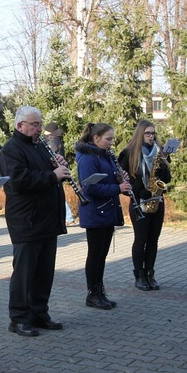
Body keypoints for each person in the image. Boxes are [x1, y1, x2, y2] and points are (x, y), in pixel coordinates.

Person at [0, 106, 67, 336]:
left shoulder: (39, 147)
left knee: (44, 271)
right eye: (35, 125)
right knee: (24, 273)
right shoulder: (11, 150)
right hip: (26, 220)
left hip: (46, 219)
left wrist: (56, 166)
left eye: (39, 123)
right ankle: (18, 318)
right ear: (21, 126)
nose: (39, 128)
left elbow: (46, 176)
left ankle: (39, 313)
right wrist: (52, 175)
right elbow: (19, 181)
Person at [76, 122, 129, 310]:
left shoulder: (104, 155)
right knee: (96, 255)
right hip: (95, 211)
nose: (111, 142)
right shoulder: (88, 158)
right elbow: (90, 187)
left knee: (102, 254)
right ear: (96, 138)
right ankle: (92, 293)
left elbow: (105, 178)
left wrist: (119, 179)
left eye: (112, 139)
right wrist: (117, 188)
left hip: (106, 210)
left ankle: (99, 291)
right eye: (108, 139)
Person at [118, 120, 172, 291]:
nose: (151, 136)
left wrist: (163, 173)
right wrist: (137, 190)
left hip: (157, 200)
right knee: (141, 239)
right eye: (148, 133)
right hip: (139, 201)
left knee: (153, 240)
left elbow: (168, 178)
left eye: (153, 133)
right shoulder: (128, 153)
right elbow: (121, 178)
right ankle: (139, 275)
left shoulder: (160, 151)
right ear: (140, 134)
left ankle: (150, 273)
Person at [45, 122, 74, 225]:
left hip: (56, 170)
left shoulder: (52, 142)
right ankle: (68, 217)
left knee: (58, 195)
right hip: (58, 169)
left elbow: (50, 156)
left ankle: (68, 217)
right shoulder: (56, 140)